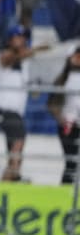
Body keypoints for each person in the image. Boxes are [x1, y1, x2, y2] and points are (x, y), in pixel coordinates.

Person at [0, 26, 48, 183]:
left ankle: (8, 179)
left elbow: (33, 88)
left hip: (17, 111)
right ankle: (15, 173)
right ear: (9, 39)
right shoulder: (0, 56)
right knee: (20, 138)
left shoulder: (27, 63)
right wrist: (36, 49)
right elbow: (8, 59)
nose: (21, 40)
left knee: (14, 149)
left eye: (23, 37)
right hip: (4, 109)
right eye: (17, 36)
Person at [49, 48, 80, 185]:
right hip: (69, 124)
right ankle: (65, 191)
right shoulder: (62, 78)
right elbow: (52, 103)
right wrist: (62, 119)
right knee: (71, 161)